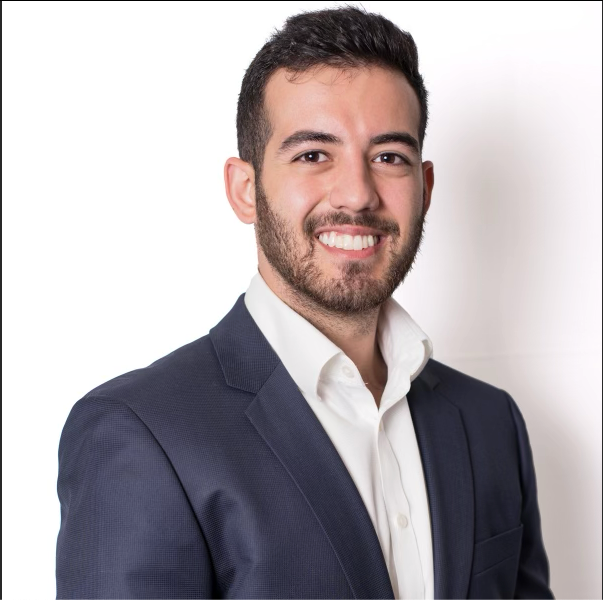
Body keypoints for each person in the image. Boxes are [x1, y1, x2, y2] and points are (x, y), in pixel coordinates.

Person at [55, 6, 554, 599]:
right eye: (314, 154)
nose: (357, 193)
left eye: (388, 156)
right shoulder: (141, 432)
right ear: (245, 189)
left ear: (424, 189)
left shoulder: (490, 423)